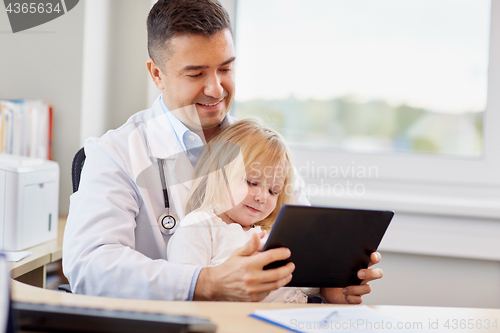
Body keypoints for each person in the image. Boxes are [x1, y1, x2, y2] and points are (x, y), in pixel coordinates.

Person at [63, 0, 382, 303]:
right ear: (157, 74)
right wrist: (206, 283)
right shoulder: (115, 154)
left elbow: (301, 249)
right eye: (196, 74)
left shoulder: (263, 151)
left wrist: (330, 284)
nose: (216, 89)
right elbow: (89, 265)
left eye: (226, 69)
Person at [168, 119, 318, 303]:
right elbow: (184, 289)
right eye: (252, 182)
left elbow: (305, 283)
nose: (262, 197)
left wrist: (329, 286)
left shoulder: (271, 233)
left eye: (273, 191)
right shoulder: (199, 226)